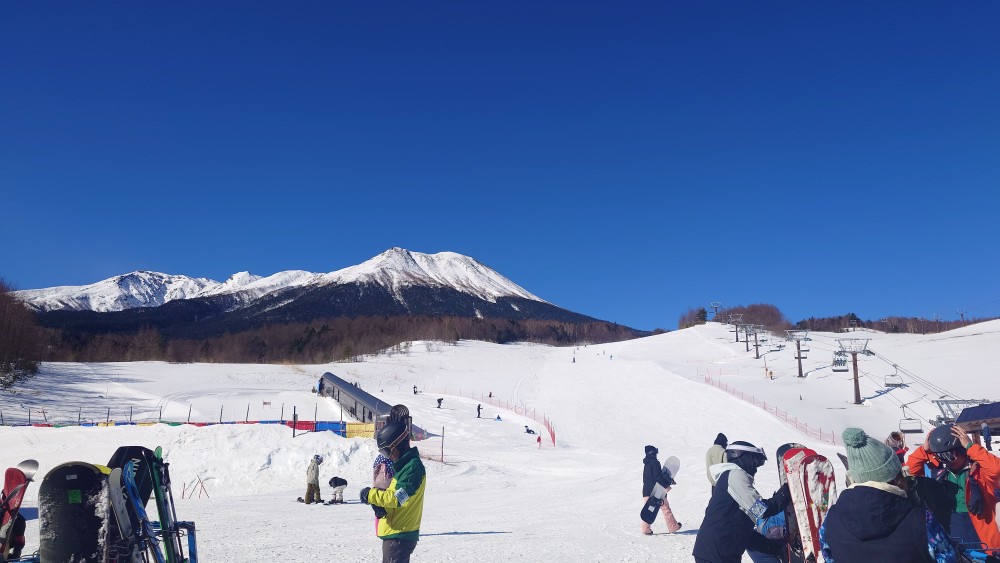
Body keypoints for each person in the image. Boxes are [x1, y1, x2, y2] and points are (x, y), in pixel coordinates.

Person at [820, 427, 957, 562]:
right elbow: (948, 557)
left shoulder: (831, 519)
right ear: (896, 476)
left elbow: (829, 557)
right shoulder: (921, 519)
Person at [692, 441, 790, 563]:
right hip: (717, 553)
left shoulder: (731, 482)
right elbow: (762, 510)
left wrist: (774, 548)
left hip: (719, 552)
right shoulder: (735, 475)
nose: (756, 467)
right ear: (742, 457)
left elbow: (742, 531)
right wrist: (785, 493)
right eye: (755, 461)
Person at [906, 423, 1000, 548]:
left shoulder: (980, 470)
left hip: (980, 525)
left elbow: (996, 469)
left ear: (962, 450)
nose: (945, 461)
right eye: (940, 456)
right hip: (951, 522)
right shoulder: (939, 472)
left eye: (949, 456)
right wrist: (924, 451)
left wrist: (970, 446)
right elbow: (909, 473)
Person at [361, 421, 427, 563]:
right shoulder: (404, 467)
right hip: (397, 533)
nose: (387, 456)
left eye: (387, 451)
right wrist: (380, 506)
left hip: (399, 535)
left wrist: (370, 495)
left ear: (398, 445)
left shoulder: (412, 468)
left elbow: (397, 499)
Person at [641, 445, 681, 535]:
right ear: (653, 453)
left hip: (647, 491)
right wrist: (666, 485)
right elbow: (658, 477)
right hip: (656, 491)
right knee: (666, 508)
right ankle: (673, 527)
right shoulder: (655, 463)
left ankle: (645, 529)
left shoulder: (646, 464)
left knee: (648, 510)